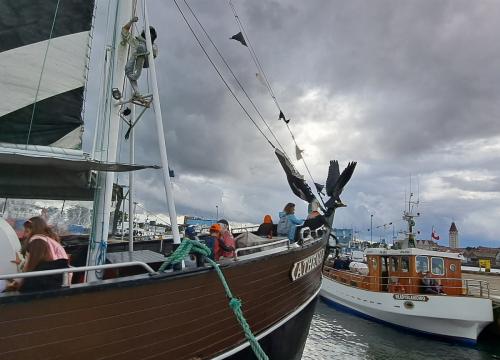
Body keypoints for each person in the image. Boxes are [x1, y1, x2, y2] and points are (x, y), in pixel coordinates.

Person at [7, 217, 70, 292]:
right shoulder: (49, 240)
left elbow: (32, 266)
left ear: (34, 230)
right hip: (59, 281)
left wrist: (17, 283)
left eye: (27, 231)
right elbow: (39, 262)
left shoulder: (37, 241)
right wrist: (21, 263)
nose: (24, 235)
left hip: (47, 285)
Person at [122, 17, 158, 97]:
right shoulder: (137, 42)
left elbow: (154, 53)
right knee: (128, 71)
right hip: (137, 57)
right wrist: (131, 21)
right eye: (148, 33)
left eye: (151, 34)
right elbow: (124, 32)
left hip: (146, 60)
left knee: (141, 47)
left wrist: (144, 42)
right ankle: (137, 92)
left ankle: (135, 76)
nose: (149, 35)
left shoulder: (153, 46)